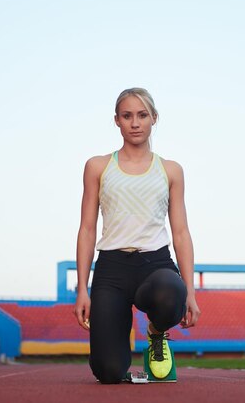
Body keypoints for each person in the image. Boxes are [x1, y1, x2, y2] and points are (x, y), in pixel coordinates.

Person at [74, 87, 201, 384]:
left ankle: (156, 334)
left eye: (142, 115)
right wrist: (82, 288)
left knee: (173, 293)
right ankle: (117, 354)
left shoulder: (170, 170)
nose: (135, 123)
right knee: (108, 373)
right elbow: (87, 228)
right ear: (116, 120)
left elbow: (180, 233)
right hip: (111, 270)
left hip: (155, 266)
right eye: (127, 115)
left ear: (154, 119)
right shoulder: (98, 167)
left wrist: (191, 293)